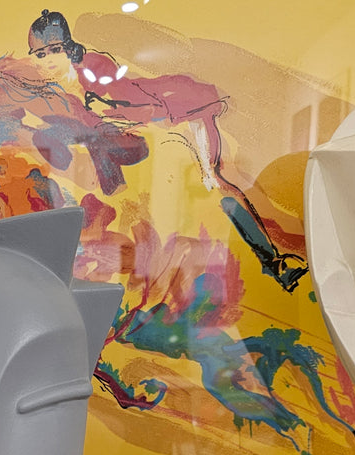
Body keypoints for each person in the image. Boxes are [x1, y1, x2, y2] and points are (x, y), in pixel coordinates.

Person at [26, 9, 308, 291]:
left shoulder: (95, 69)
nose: (48, 59)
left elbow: (147, 107)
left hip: (183, 112)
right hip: (160, 130)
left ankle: (275, 262)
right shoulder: (63, 86)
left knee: (218, 183)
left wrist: (111, 110)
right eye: (40, 54)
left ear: (68, 47)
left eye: (55, 50)